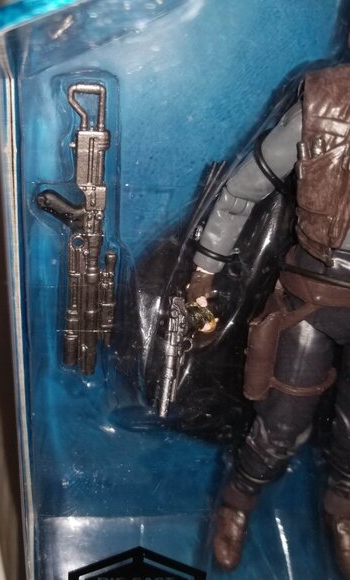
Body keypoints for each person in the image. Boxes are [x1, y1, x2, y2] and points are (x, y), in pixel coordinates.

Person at [186, 63, 350, 576]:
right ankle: (237, 502)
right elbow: (242, 190)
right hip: (314, 300)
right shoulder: (321, 109)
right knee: (280, 425)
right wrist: (204, 271)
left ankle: (341, 510)